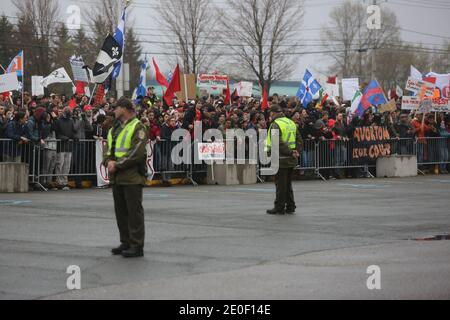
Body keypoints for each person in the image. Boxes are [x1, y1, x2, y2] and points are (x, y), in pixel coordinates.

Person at [103, 97, 148, 258]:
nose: (114, 110)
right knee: (120, 211)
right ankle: (126, 241)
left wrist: (117, 164)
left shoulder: (138, 127)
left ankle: (137, 245)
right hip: (117, 177)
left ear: (125, 109)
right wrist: (108, 161)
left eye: (116, 108)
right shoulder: (114, 128)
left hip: (132, 176)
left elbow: (137, 151)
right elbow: (108, 148)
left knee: (134, 212)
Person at [265, 105, 302, 215]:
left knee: (280, 185)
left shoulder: (276, 124)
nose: (270, 116)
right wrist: (296, 151)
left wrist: (290, 152)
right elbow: (299, 139)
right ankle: (291, 206)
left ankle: (279, 207)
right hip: (291, 159)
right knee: (287, 184)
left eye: (270, 113)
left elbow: (277, 142)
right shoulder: (290, 123)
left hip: (281, 158)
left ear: (273, 113)